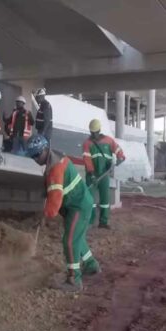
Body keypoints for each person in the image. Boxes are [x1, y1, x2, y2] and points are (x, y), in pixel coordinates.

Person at [26, 135, 100, 292]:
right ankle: (91, 265)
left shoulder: (55, 169)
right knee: (77, 237)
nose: (35, 159)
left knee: (70, 241)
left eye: (37, 155)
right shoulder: (55, 159)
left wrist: (44, 217)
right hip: (74, 204)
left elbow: (54, 202)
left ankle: (74, 280)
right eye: (32, 156)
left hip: (78, 205)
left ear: (46, 150)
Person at [82, 119, 125, 228]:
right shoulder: (87, 143)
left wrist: (120, 157)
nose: (94, 134)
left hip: (104, 174)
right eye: (92, 132)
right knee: (89, 200)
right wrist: (91, 174)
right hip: (91, 175)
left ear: (99, 130)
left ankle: (103, 222)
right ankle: (89, 221)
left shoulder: (109, 141)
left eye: (95, 132)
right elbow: (87, 160)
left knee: (105, 199)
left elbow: (118, 150)